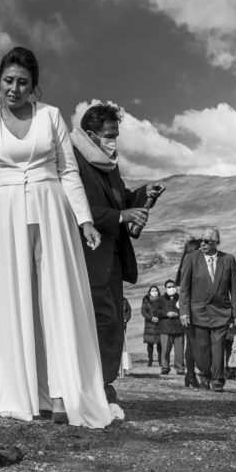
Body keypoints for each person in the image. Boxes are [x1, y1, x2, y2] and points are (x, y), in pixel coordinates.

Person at [0, 47, 109, 427]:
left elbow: (68, 172)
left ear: (34, 88)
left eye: (23, 83)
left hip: (52, 213)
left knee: (56, 298)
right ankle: (24, 391)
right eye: (8, 81)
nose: (14, 88)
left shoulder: (50, 117)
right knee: (15, 300)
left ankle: (63, 394)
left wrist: (85, 221)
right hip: (6, 215)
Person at [70, 102, 162, 420]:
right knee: (93, 326)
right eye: (110, 135)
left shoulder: (109, 164)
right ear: (91, 134)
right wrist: (119, 215)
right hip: (85, 257)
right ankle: (89, 390)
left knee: (111, 328)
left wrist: (142, 195)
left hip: (112, 260)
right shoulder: (73, 162)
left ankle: (104, 387)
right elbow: (73, 208)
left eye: (117, 135)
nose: (114, 141)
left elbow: (119, 200)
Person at [178, 227, 236, 391]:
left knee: (218, 346)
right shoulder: (191, 258)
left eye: (207, 241)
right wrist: (184, 312)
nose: (203, 243)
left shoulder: (228, 259)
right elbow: (184, 288)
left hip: (221, 311)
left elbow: (234, 287)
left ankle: (218, 381)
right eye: (201, 240)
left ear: (216, 243)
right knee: (202, 349)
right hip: (198, 311)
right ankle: (205, 375)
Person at [174, 239, 203, 387]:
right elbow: (182, 288)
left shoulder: (184, 264)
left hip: (187, 308)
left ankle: (190, 374)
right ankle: (191, 374)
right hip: (191, 309)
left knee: (191, 343)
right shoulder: (191, 264)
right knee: (193, 343)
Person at [151, 282, 186, 375]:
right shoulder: (160, 300)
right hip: (165, 328)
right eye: (169, 287)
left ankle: (180, 368)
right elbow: (155, 312)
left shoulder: (181, 298)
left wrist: (179, 313)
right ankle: (165, 367)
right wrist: (167, 313)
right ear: (165, 288)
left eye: (173, 286)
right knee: (165, 349)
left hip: (179, 328)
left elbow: (186, 309)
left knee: (180, 350)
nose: (171, 288)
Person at [141, 284, 161, 368]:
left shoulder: (161, 300)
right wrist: (151, 318)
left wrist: (159, 317)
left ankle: (160, 361)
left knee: (160, 344)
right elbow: (144, 311)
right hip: (149, 325)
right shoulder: (146, 300)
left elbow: (163, 310)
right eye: (153, 291)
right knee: (150, 345)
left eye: (156, 291)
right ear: (149, 292)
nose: (154, 292)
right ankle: (150, 360)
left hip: (159, 324)